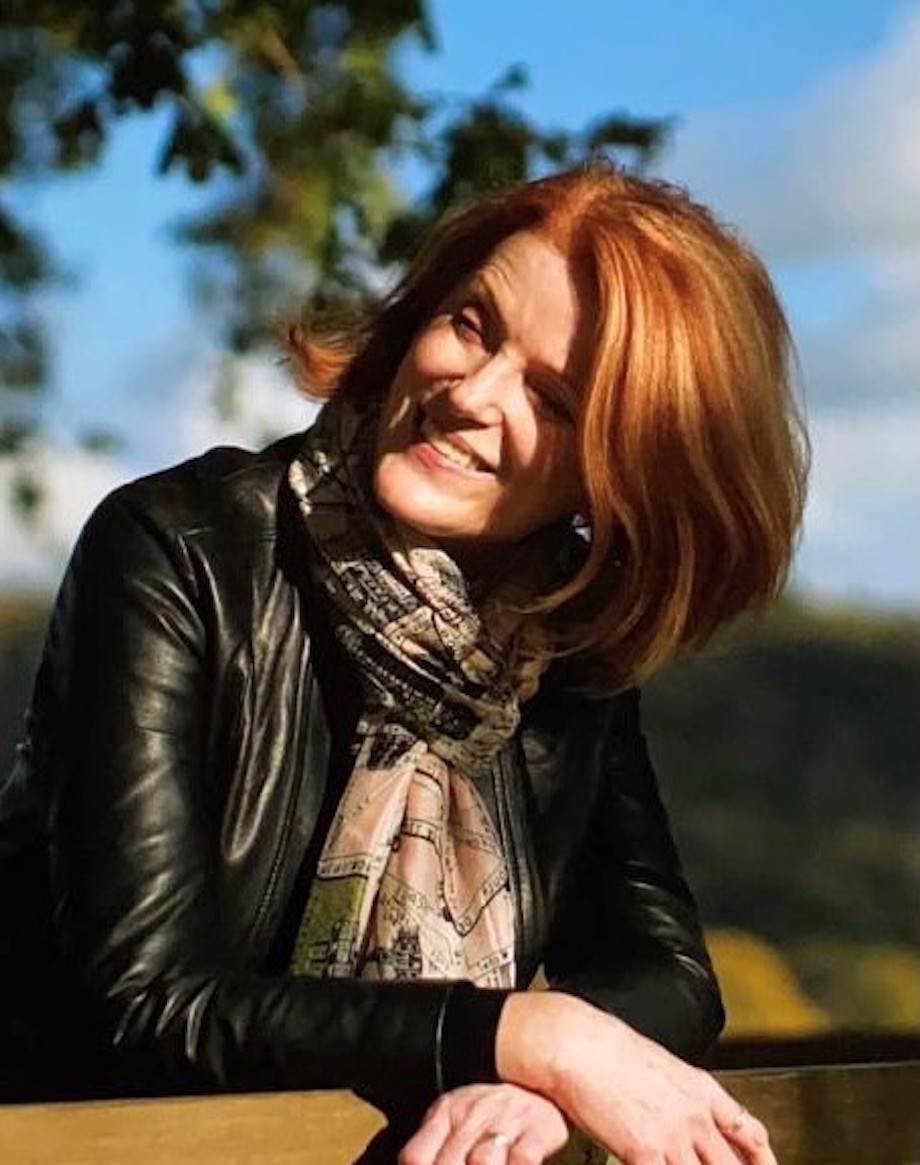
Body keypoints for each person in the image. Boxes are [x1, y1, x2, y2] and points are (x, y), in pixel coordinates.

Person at [1, 163, 807, 1165]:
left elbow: (666, 967)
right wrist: (524, 1033)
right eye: (472, 323)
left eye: (550, 398)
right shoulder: (179, 551)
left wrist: (545, 1085)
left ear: (624, 469)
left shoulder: (551, 635)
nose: (467, 395)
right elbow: (150, 1002)